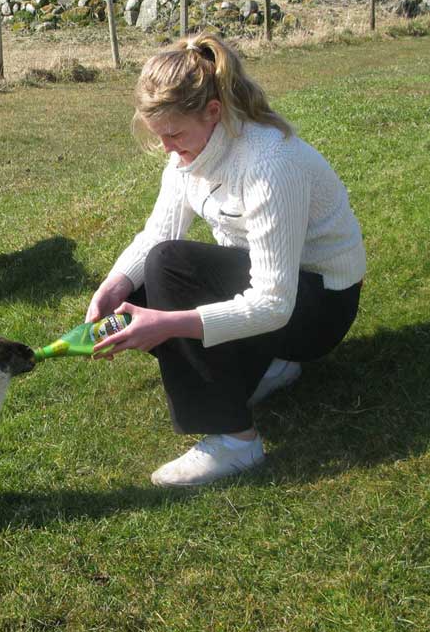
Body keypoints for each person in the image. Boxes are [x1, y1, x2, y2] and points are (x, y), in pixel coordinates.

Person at [85, 33, 366, 488]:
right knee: (139, 286)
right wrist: (114, 284)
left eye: (174, 135)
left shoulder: (270, 161)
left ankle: (236, 440)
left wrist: (168, 324)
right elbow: (159, 231)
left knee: (168, 269)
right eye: (160, 137)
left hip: (319, 306)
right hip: (276, 294)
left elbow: (275, 302)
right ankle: (268, 365)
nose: (168, 149)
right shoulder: (190, 152)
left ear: (213, 112)